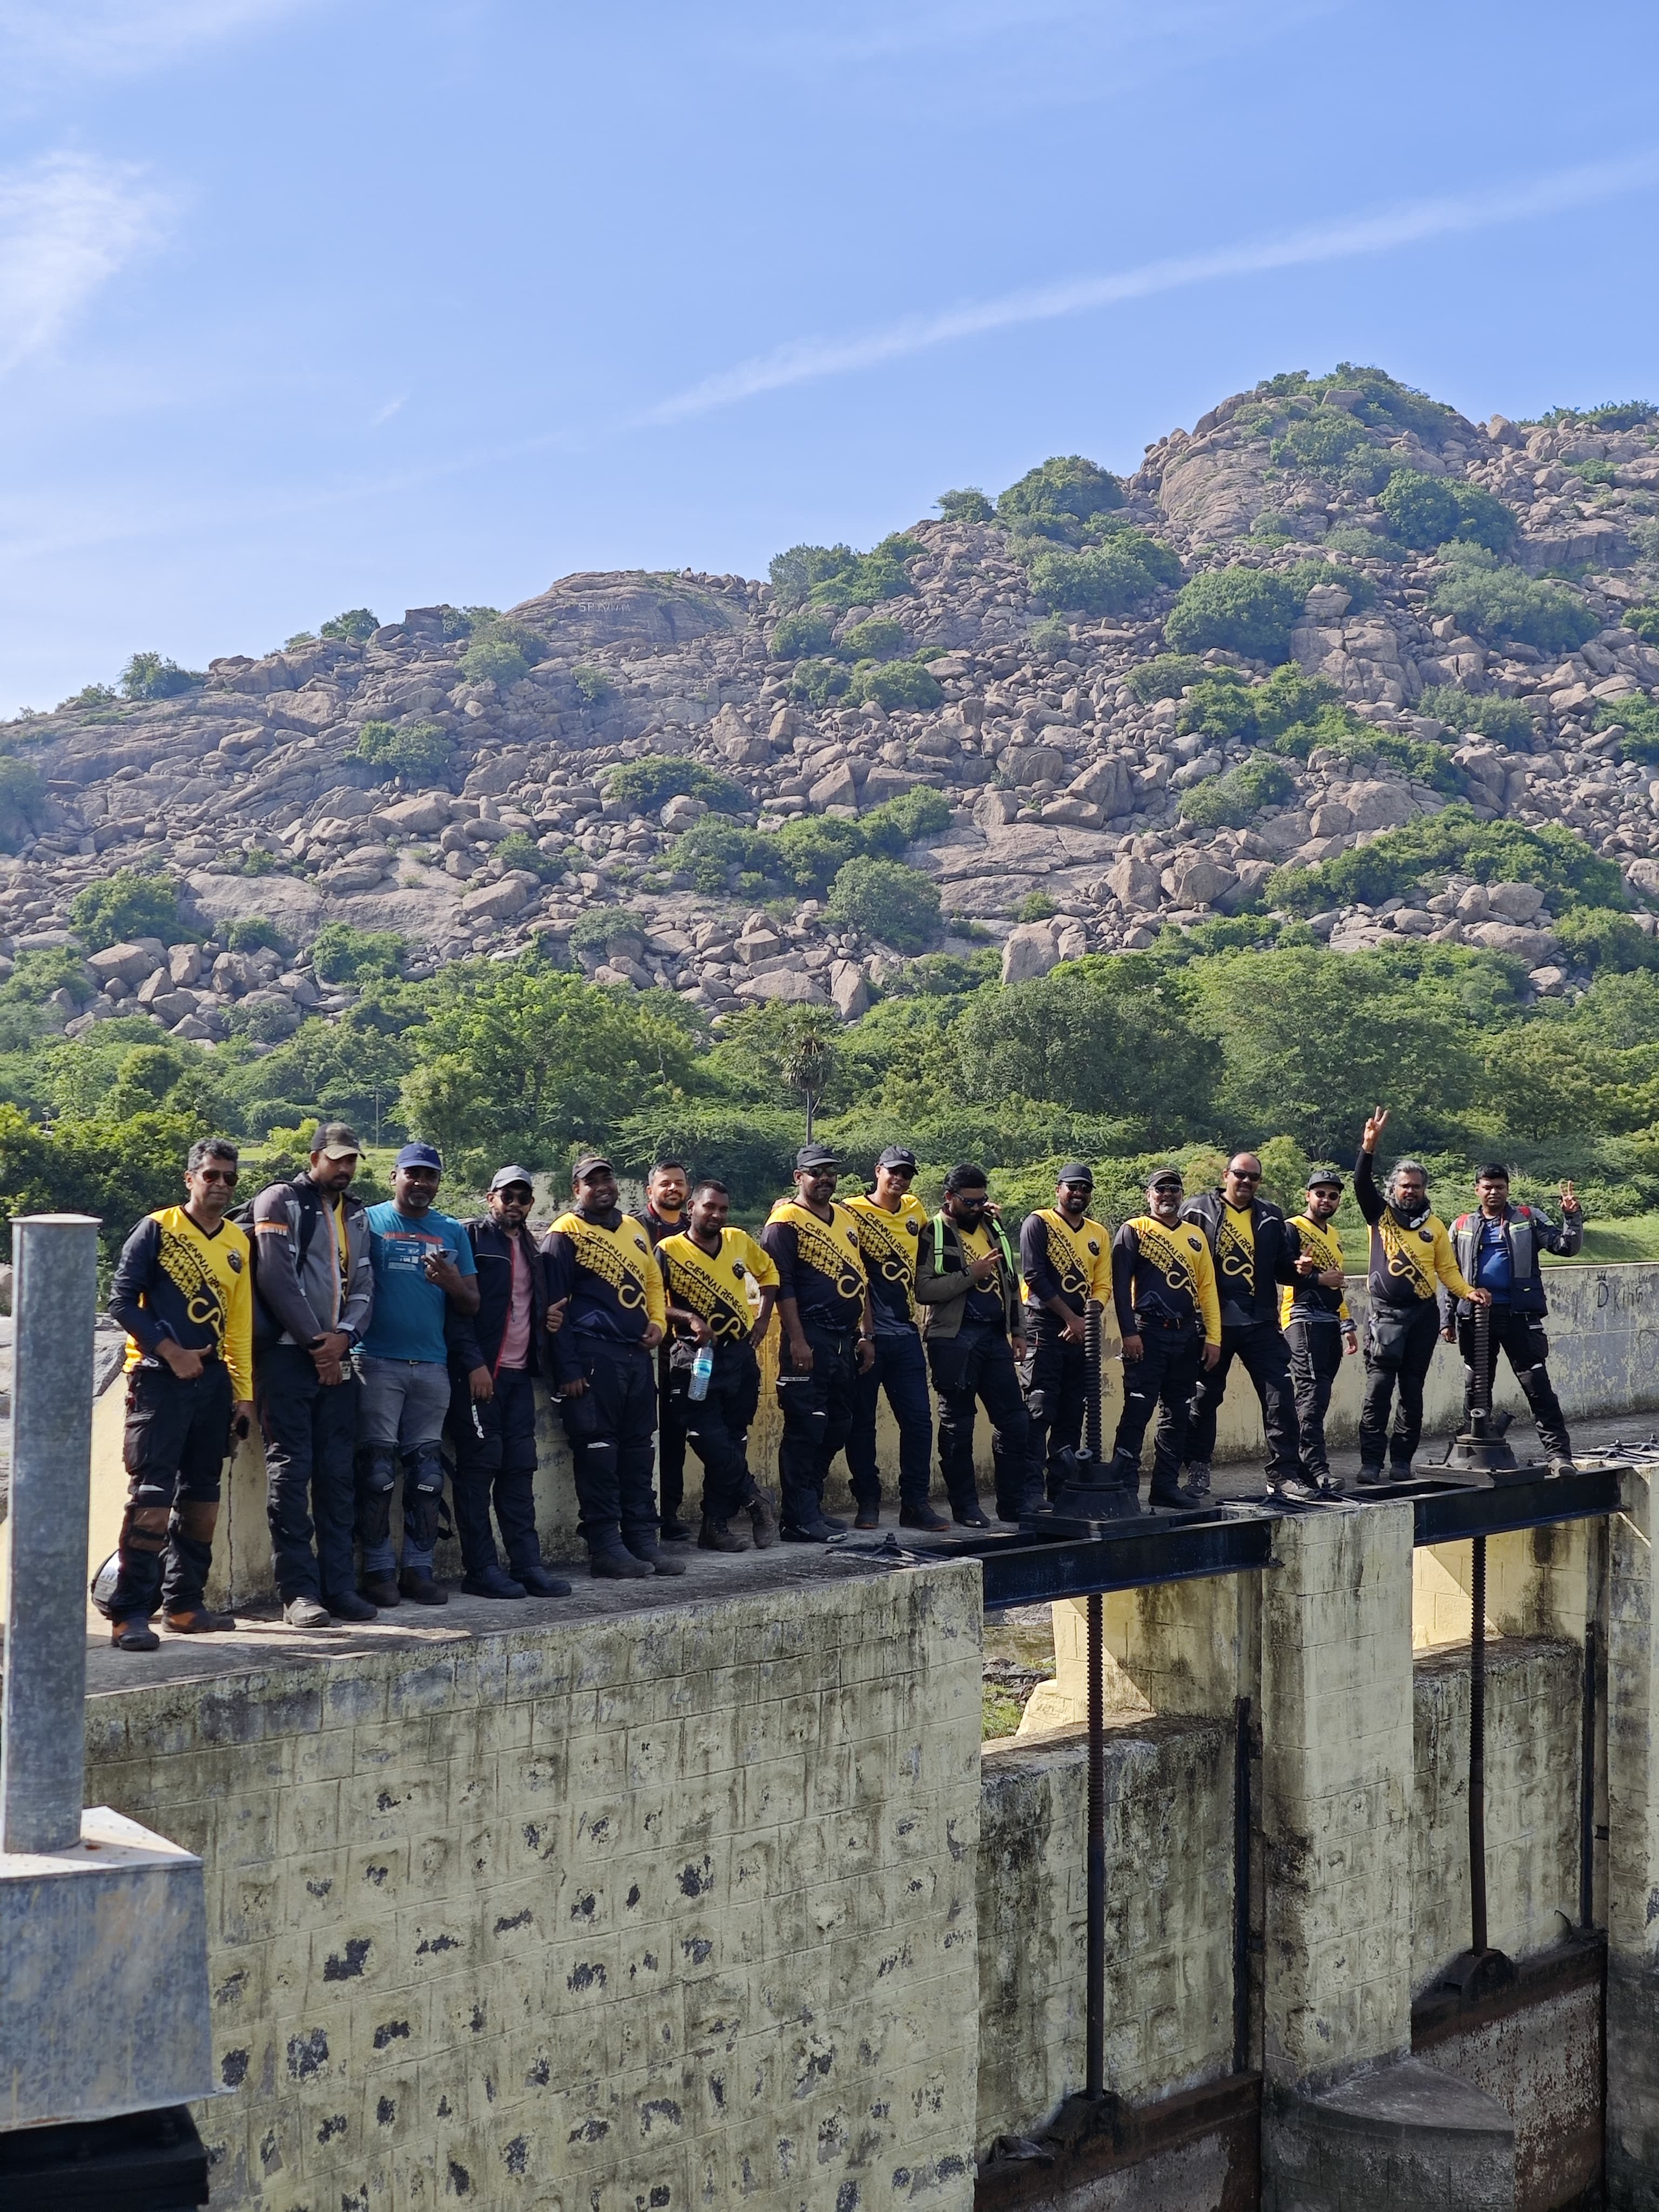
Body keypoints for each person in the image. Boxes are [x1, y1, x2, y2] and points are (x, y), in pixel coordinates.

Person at [105, 1137, 254, 1651]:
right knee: (151, 1498)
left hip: (213, 1383)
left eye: (228, 1178)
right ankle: (129, 1612)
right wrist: (171, 1351)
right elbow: (121, 1302)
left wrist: (244, 1394)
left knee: (203, 1497)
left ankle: (185, 1604)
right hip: (158, 1379)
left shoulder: (238, 1242)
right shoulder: (157, 1229)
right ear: (190, 1178)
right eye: (210, 1175)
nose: (219, 1185)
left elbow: (238, 1325)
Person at [250, 1121, 376, 1628]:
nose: (344, 1169)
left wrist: (344, 1338)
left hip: (339, 1355)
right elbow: (276, 1278)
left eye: (351, 1161)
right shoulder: (280, 1202)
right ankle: (299, 1593)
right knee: (291, 1473)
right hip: (286, 1358)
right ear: (315, 1156)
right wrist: (316, 1345)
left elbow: (366, 1285)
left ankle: (340, 1585)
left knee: (339, 1476)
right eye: (337, 1159)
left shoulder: (359, 1215)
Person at [355, 1142, 480, 1607]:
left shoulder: (451, 1230)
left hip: (432, 1364)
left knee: (428, 1474)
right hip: (377, 1361)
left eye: (431, 1176)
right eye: (414, 1174)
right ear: (396, 1176)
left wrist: (449, 1281)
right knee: (376, 1473)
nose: (422, 1183)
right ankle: (378, 1568)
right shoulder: (369, 1222)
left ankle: (419, 1568)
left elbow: (471, 1302)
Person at [543, 1153, 678, 1579]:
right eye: (591, 1181)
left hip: (635, 1359)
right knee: (599, 1455)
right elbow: (554, 1308)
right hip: (591, 1357)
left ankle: (642, 1541)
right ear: (576, 1190)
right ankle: (606, 1548)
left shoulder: (636, 1229)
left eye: (607, 1179)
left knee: (639, 1452)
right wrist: (567, 1370)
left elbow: (654, 1281)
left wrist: (657, 1322)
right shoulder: (565, 1233)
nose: (602, 1186)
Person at [444, 1166, 571, 1600]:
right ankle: (480, 1569)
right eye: (507, 1196)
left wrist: (548, 1319)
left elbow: (528, 1306)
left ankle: (527, 1565)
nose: (515, 1204)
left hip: (519, 1377)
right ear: (490, 1198)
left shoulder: (534, 1249)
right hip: (480, 1376)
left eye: (523, 1197)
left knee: (519, 1472)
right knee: (479, 1472)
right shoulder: (472, 1239)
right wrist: (474, 1363)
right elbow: (459, 1310)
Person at [1353, 1109, 1485, 1483]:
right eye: (1404, 1186)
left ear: (1424, 1189)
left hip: (1423, 1317)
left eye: (1416, 1186)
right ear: (1393, 1188)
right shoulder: (1379, 1215)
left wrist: (1468, 1293)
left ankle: (1401, 1462)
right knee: (1378, 1391)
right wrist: (1370, 1145)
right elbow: (1361, 1183)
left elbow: (1448, 1272)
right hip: (1385, 1318)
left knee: (1412, 1392)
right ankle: (1371, 1462)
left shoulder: (1435, 1225)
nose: (1410, 1191)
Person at [657, 1178, 782, 1552]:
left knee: (734, 1440)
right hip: (691, 1360)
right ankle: (755, 1497)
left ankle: (716, 1526)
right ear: (692, 1208)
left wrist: (762, 1320)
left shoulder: (739, 1241)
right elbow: (652, 1301)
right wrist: (689, 1318)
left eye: (723, 1209)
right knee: (706, 1437)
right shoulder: (669, 1249)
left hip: (739, 1357)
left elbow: (771, 1274)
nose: (716, 1215)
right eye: (709, 1207)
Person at [760, 1144, 875, 1543]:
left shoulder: (843, 1217)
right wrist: (797, 1340)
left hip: (845, 1340)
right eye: (815, 1173)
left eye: (830, 1172)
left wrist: (866, 1333)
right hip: (809, 1337)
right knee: (805, 1430)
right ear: (799, 1178)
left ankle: (813, 1505)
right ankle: (796, 1518)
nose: (824, 1178)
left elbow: (860, 1278)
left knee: (838, 1427)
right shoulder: (784, 1222)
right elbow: (781, 1285)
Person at [1180, 1153, 1310, 1501]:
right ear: (1227, 1175)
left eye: (1254, 1177)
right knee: (1204, 1399)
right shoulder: (1197, 1210)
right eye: (1241, 1175)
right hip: (1213, 1323)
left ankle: (1283, 1473)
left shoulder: (1270, 1215)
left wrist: (1299, 1269)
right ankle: (1197, 1469)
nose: (1247, 1182)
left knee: (1280, 1395)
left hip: (1260, 1321)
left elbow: (1282, 1268)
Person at [1444, 1163, 1582, 1471]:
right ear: (1477, 1189)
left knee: (1537, 1385)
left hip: (1520, 1317)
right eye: (1488, 1187)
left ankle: (1559, 1456)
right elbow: (1450, 1275)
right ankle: (1474, 1454)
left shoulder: (1528, 1219)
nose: (1494, 1192)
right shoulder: (1462, 1224)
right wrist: (1447, 1319)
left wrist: (1571, 1217)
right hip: (1475, 1319)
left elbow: (1566, 1247)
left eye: (1500, 1187)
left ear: (1508, 1189)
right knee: (1477, 1386)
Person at [914, 1164, 1029, 1526]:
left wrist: (1019, 1330)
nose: (978, 1207)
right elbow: (925, 1290)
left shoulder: (992, 1228)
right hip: (954, 1338)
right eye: (969, 1202)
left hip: (994, 1336)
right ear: (949, 1198)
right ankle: (966, 1506)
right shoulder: (933, 1232)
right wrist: (971, 1274)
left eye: (982, 1200)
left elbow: (1011, 1281)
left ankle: (1012, 1503)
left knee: (1015, 1422)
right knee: (958, 1427)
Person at [843, 1145, 945, 1533]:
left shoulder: (915, 1210)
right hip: (864, 1337)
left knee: (919, 1421)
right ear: (878, 1171)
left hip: (905, 1336)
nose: (899, 1179)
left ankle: (915, 1503)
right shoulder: (850, 1211)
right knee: (862, 1424)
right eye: (893, 1172)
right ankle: (867, 1500)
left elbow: (937, 1238)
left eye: (906, 1174)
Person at [1108, 1168, 1220, 1507]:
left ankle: (1166, 1486)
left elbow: (1208, 1290)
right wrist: (1129, 1333)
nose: (1167, 1195)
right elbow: (1119, 1288)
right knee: (1138, 1410)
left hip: (1185, 1335)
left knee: (1178, 1413)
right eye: (1161, 1189)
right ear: (1149, 1195)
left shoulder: (1195, 1236)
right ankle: (1124, 1488)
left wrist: (1213, 1336)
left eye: (1174, 1189)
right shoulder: (1133, 1231)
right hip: (1147, 1332)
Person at [1020, 1163, 1112, 1506]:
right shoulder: (1039, 1222)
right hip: (1044, 1326)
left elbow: (1103, 1284)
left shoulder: (1098, 1233)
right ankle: (1030, 1491)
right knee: (1039, 1408)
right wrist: (1071, 1318)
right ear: (1059, 1189)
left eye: (1085, 1188)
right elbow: (1034, 1276)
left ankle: (1062, 1491)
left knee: (1073, 1414)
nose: (1079, 1193)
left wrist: (1086, 1319)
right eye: (1072, 1187)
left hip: (1081, 1333)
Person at [1280, 1167, 1359, 1498]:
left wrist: (1348, 1324)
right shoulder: (1292, 1228)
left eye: (1333, 1195)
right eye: (1320, 1193)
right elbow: (1284, 1272)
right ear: (1307, 1195)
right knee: (1311, 1393)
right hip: (1302, 1317)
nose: (1326, 1199)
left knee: (1319, 1395)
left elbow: (1337, 1282)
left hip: (1329, 1320)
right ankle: (1315, 1468)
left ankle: (1302, 1465)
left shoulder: (1334, 1235)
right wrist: (1310, 1277)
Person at [633, 1160, 693, 1542]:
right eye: (665, 1184)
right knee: (643, 1437)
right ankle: (644, 1518)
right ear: (649, 1189)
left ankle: (669, 1513)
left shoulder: (695, 1227)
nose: (673, 1189)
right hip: (646, 1344)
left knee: (676, 1434)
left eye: (680, 1184)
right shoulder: (634, 1228)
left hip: (685, 1350)